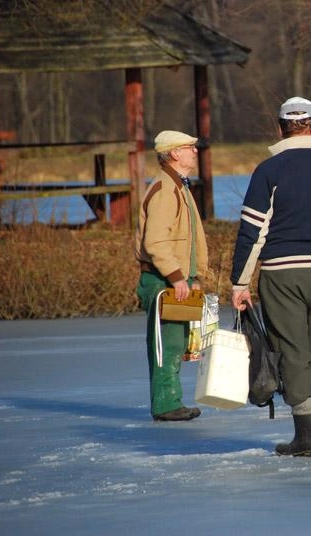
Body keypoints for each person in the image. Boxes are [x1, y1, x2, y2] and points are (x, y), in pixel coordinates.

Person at [230, 97, 311, 456]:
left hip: (280, 272)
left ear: (280, 128)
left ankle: (308, 438)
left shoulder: (269, 171)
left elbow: (252, 232)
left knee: (293, 350)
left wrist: (239, 283)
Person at [134, 130, 208, 421]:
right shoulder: (165, 189)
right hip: (163, 281)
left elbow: (188, 240)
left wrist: (194, 276)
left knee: (178, 342)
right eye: (190, 147)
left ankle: (171, 401)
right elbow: (155, 241)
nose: (196, 151)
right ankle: (165, 405)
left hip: (177, 279)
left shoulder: (180, 186)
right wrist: (178, 277)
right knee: (165, 342)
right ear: (174, 153)